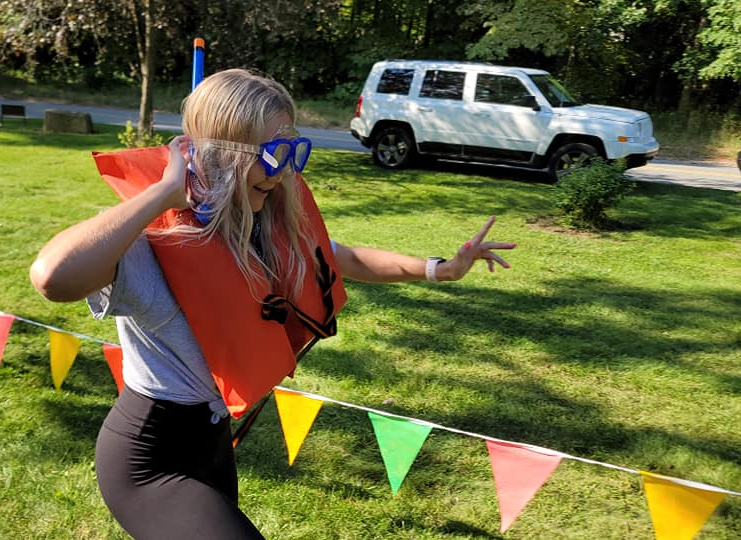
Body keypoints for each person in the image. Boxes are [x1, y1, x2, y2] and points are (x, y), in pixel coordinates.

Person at [29, 68, 516, 540]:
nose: (283, 169)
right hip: (150, 459)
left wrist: (441, 269)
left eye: (293, 150)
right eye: (272, 152)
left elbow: (338, 258)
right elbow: (52, 276)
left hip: (213, 445)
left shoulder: (258, 222)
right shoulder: (152, 243)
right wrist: (160, 194)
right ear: (218, 154)